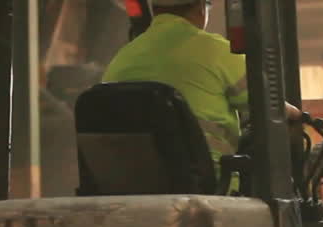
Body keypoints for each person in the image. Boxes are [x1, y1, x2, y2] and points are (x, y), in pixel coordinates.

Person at [103, 0, 302, 172]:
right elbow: (271, 108)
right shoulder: (217, 51)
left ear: (155, 10)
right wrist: (296, 115)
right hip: (210, 184)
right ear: (201, 9)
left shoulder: (121, 58)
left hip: (131, 184)